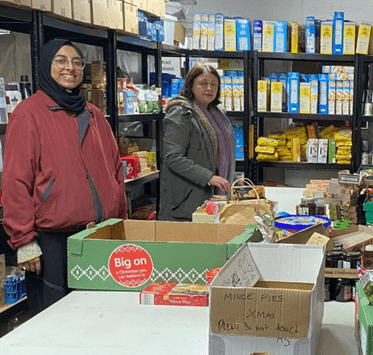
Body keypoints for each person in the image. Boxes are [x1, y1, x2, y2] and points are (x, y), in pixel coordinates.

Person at [2, 39, 127, 315]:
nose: (69, 67)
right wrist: (23, 240)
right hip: (53, 243)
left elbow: (115, 170)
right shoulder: (29, 114)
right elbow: (15, 181)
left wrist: (121, 224)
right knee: (57, 322)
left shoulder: (94, 115)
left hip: (98, 236)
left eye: (76, 62)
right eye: (60, 60)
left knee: (100, 317)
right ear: (46, 66)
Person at [158, 62, 236, 221]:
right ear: (190, 85)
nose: (209, 88)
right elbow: (173, 157)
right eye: (203, 83)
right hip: (185, 201)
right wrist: (208, 177)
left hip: (210, 197)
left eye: (214, 84)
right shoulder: (180, 112)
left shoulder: (217, 113)